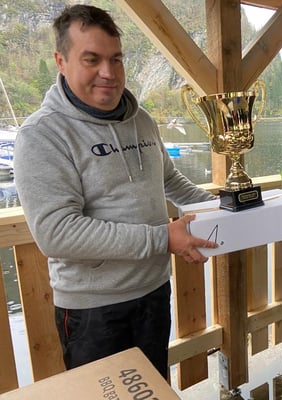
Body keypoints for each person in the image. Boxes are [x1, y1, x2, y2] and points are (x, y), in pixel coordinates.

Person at [13, 4, 218, 378]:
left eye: (116, 59)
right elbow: (57, 234)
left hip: (154, 292)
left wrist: (225, 208)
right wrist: (162, 239)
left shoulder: (142, 120)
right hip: (93, 310)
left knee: (153, 388)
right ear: (61, 61)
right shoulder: (42, 134)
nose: (108, 73)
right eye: (91, 59)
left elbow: (170, 181)